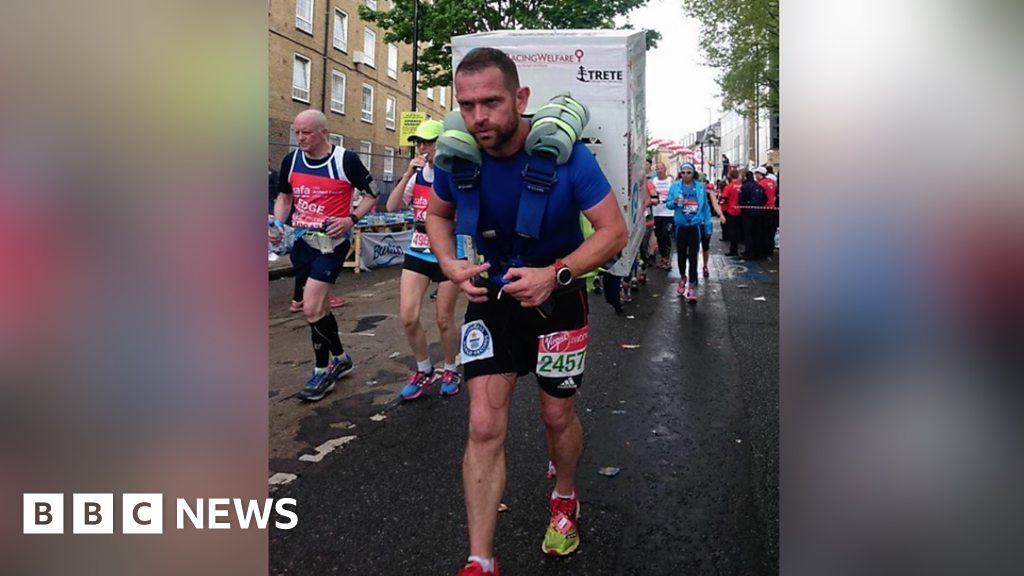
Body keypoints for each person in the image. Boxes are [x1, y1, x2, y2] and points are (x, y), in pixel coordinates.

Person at [426, 48, 627, 575]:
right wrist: (448, 263)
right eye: (467, 105)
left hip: (559, 301)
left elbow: (613, 231)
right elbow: (437, 215)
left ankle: (564, 497)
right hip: (490, 301)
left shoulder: (567, 157)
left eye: (491, 102)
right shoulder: (458, 157)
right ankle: (480, 559)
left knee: (556, 415)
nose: (479, 117)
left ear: (520, 98)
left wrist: (554, 274)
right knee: (483, 424)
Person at [270, 109, 379, 402]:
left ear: (324, 133)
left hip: (332, 244)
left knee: (310, 306)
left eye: (306, 132)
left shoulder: (345, 160)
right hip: (301, 242)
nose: (300, 138)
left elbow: (372, 194)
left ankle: (321, 371)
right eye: (297, 132)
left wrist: (350, 219)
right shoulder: (291, 160)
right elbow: (285, 197)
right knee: (319, 309)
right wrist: (277, 224)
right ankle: (341, 358)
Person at [386, 119, 463, 400]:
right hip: (418, 249)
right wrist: (408, 173)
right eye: (419, 142)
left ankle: (451, 369)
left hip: (448, 252)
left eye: (428, 142)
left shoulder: (454, 173)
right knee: (408, 317)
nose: (422, 147)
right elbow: (392, 206)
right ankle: (424, 369)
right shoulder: (417, 175)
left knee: (444, 319)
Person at [666, 163, 709, 302]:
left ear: (693, 173)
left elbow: (705, 208)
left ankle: (692, 285)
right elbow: (668, 204)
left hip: (695, 225)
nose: (685, 175)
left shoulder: (700, 187)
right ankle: (683, 277)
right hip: (681, 225)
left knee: (693, 256)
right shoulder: (675, 186)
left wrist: (707, 226)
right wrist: (674, 202)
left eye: (688, 172)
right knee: (681, 256)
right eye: (683, 172)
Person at [648, 161, 674, 270]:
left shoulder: (670, 181)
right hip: (657, 213)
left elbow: (675, 193)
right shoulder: (653, 181)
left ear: (665, 169)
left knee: (665, 235)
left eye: (661, 168)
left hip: (669, 213)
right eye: (657, 169)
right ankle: (663, 258)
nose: (659, 171)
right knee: (659, 236)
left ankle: (666, 259)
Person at [700, 175, 727, 278]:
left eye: (703, 182)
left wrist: (721, 214)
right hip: (693, 223)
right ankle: (692, 267)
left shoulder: (709, 193)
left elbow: (715, 204)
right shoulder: (691, 192)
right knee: (692, 247)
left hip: (706, 223)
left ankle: (705, 265)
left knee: (705, 246)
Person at [739, 170, 768, 260]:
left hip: (748, 214)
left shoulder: (744, 187)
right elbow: (765, 199)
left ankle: (749, 253)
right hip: (759, 213)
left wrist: (744, 208)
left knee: (748, 234)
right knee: (758, 233)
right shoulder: (759, 186)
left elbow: (741, 201)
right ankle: (758, 253)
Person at [753, 165, 778, 258]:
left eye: (756, 174)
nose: (755, 176)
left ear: (760, 174)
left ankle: (763, 251)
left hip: (764, 210)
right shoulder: (771, 182)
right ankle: (769, 249)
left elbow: (759, 198)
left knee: (763, 232)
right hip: (772, 209)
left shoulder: (761, 184)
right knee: (770, 232)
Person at [720, 169, 743, 256]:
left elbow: (724, 199)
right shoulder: (742, 186)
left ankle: (733, 250)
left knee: (732, 231)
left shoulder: (729, 187)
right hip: (742, 211)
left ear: (730, 176)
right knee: (739, 230)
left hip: (732, 211)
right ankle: (738, 248)